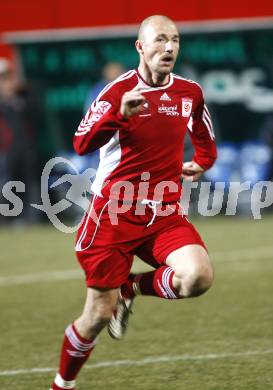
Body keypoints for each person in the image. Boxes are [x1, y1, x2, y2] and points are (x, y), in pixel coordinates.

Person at [50, 15, 217, 390]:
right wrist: (117, 115)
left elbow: (204, 137)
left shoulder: (188, 93)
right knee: (96, 315)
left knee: (198, 277)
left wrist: (201, 162)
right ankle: (61, 384)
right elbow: (81, 144)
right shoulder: (116, 92)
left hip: (163, 213)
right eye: (160, 40)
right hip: (113, 216)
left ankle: (131, 288)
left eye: (174, 40)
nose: (169, 47)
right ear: (140, 47)